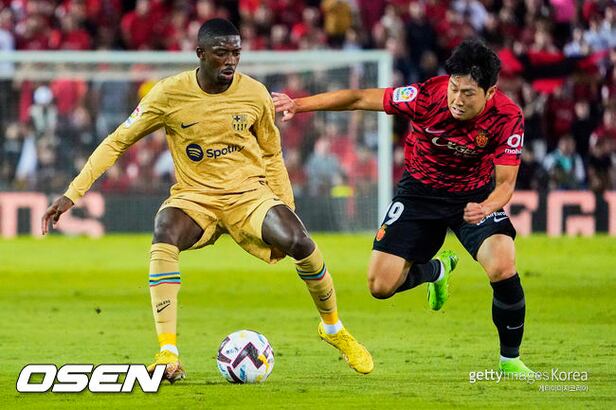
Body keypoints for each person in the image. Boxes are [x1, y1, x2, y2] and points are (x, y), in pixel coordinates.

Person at [41, 18, 373, 382]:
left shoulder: (255, 94)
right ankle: (168, 352)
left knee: (299, 240)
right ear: (200, 53)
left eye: (236, 53)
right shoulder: (168, 94)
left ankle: (333, 328)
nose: (230, 61)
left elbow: (272, 153)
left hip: (249, 195)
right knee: (165, 229)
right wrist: (73, 193)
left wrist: (285, 208)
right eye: (221, 53)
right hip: (195, 198)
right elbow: (117, 141)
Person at [272, 39, 534, 376]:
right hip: (419, 195)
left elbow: (506, 185)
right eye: (454, 88)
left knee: (502, 264)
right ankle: (436, 271)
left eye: (468, 93)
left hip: (474, 198)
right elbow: (358, 98)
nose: (457, 99)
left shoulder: (508, 117)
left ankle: (510, 360)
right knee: (380, 286)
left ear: (491, 92)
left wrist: (486, 207)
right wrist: (299, 104)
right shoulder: (425, 96)